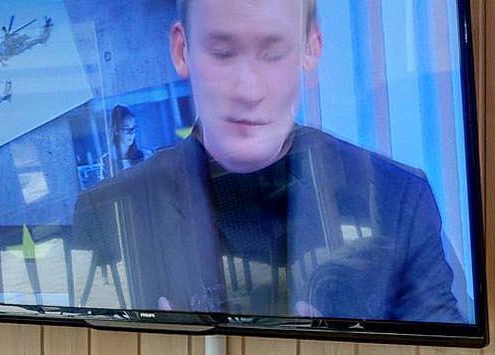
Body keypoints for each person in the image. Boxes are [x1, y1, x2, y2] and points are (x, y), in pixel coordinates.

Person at [73, 0, 464, 324]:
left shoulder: (398, 200)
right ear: (181, 50)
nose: (248, 90)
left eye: (273, 53)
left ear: (311, 48)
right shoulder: (106, 214)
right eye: (222, 52)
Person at [102, 105, 150, 177]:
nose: (131, 133)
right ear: (116, 130)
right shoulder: (107, 161)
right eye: (126, 129)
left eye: (133, 128)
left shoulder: (145, 156)